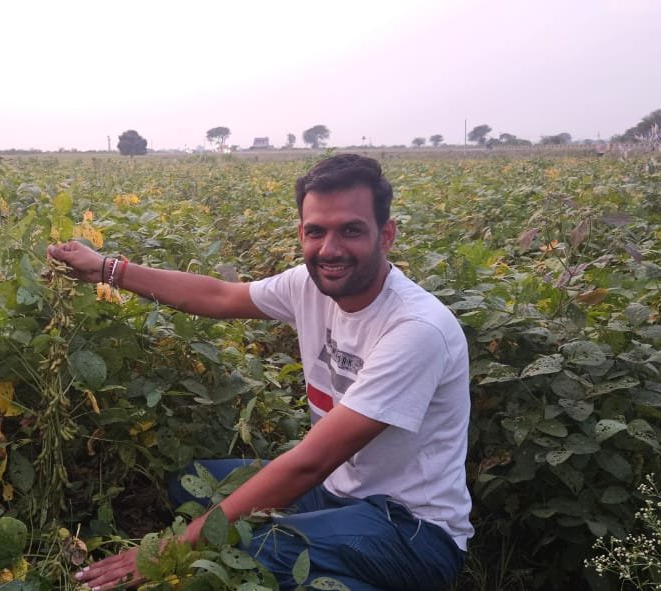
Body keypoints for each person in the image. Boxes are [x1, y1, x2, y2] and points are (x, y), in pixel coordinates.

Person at [47, 154, 472, 591]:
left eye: (351, 230)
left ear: (386, 235)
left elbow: (309, 463)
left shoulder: (416, 329)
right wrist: (106, 269)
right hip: (336, 491)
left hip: (411, 530)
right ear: (301, 234)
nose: (330, 249)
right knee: (190, 484)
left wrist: (172, 548)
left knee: (238, 550)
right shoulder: (309, 285)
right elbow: (219, 296)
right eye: (316, 231)